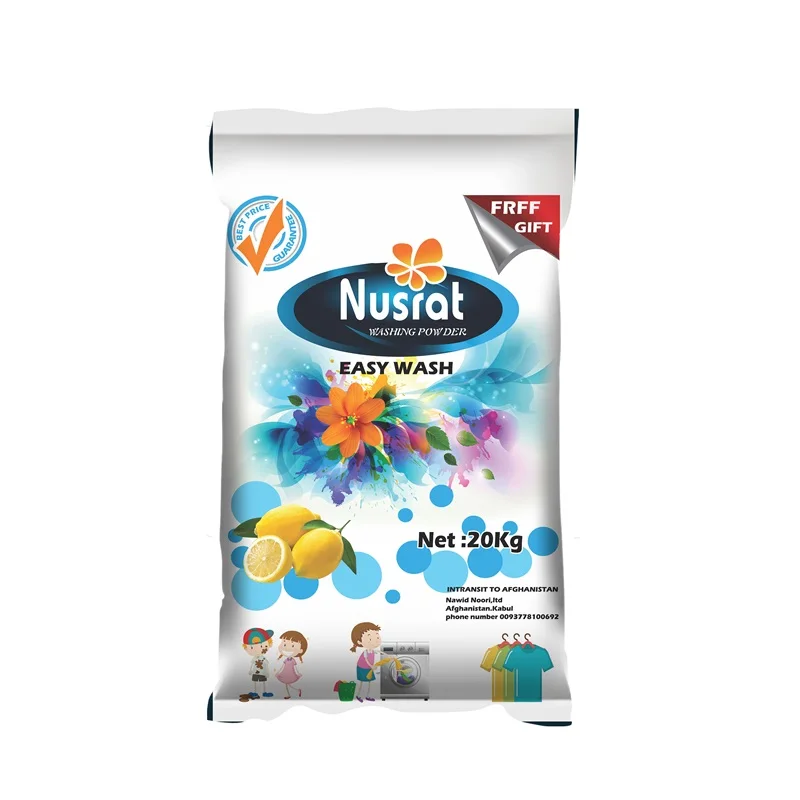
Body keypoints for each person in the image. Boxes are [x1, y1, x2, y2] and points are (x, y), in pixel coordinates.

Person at [350, 621, 384, 702]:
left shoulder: (372, 650)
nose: (376, 640)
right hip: (362, 668)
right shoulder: (365, 652)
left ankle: (368, 696)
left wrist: (384, 653)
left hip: (369, 668)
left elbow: (378, 652)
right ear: (359, 642)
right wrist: (371, 666)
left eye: (377, 636)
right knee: (362, 682)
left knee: (369, 682)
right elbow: (366, 660)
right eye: (370, 638)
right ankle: (358, 695)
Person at [242, 628, 274, 699]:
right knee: (255, 682)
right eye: (252, 647)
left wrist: (267, 673)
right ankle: (255, 692)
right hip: (255, 672)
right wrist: (250, 670)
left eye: (261, 646)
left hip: (262, 672)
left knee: (263, 682)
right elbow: (252, 664)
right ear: (246, 648)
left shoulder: (264, 659)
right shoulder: (254, 658)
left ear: (269, 644)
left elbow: (266, 665)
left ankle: (264, 692)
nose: (257, 649)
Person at [275, 630, 307, 699]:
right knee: (287, 684)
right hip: (285, 673)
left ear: (300, 650)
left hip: (291, 674)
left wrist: (298, 673)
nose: (287, 649)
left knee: (287, 684)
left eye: (292, 646)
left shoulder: (293, 660)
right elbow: (282, 666)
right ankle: (294, 692)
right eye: (284, 644)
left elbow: (295, 667)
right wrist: (278, 672)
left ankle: (289, 694)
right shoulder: (286, 660)